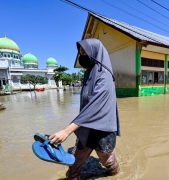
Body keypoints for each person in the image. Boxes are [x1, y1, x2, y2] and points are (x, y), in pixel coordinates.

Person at [49, 38, 120, 180]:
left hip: (103, 130)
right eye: (81, 53)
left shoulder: (104, 75)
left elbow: (94, 106)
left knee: (107, 161)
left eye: (85, 53)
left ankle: (118, 174)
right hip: (87, 126)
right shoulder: (89, 73)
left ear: (95, 53)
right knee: (75, 163)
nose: (82, 56)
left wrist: (66, 131)